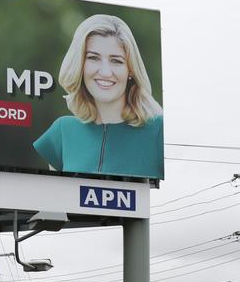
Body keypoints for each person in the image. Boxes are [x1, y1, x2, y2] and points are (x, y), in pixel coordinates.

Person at [33, 14, 163, 179]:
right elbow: (56, 201)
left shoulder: (158, 130)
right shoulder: (62, 132)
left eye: (116, 61)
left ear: (130, 70)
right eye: (93, 58)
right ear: (81, 64)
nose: (105, 72)